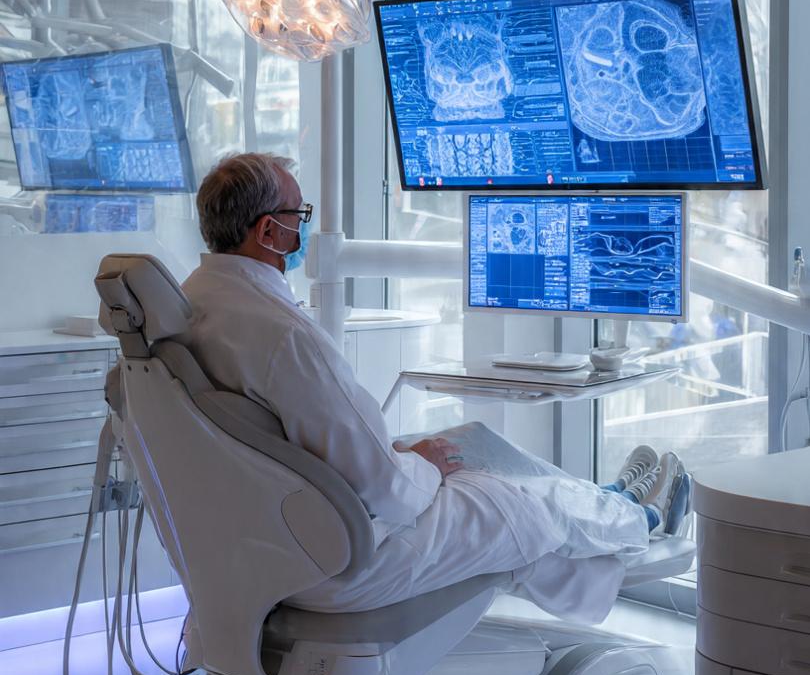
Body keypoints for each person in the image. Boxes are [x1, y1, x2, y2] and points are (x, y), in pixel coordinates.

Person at [183, 153, 691, 625]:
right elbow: (389, 492)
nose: (306, 225)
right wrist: (422, 463)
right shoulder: (284, 336)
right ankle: (641, 519)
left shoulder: (197, 306)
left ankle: (605, 500)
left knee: (474, 442)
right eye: (301, 213)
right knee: (527, 506)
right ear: (270, 232)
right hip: (348, 553)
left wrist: (415, 455)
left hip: (283, 527)